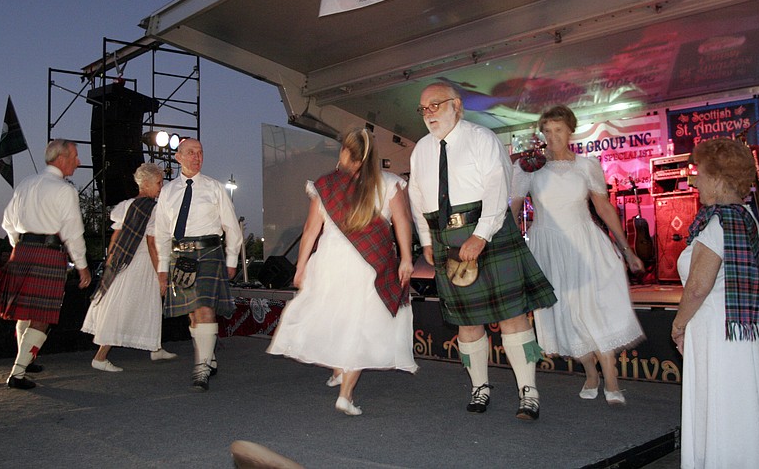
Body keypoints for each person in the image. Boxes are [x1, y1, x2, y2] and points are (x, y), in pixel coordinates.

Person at [408, 82, 557, 420]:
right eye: (424, 108)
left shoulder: (481, 138)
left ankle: (528, 391)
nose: (428, 113)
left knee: (512, 316)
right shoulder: (420, 150)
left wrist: (481, 234)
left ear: (456, 105)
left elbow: (497, 186)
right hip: (446, 239)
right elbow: (417, 197)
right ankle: (479, 387)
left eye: (435, 105)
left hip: (487, 232)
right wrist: (427, 240)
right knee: (466, 321)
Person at [267, 129, 417, 415]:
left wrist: (299, 267)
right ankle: (345, 394)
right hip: (371, 265)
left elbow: (310, 231)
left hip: (330, 262)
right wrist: (406, 259)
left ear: (346, 154)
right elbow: (402, 223)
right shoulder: (389, 183)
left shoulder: (326, 185)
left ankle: (339, 372)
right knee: (358, 328)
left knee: (335, 320)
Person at [509, 105, 645, 406]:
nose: (553, 136)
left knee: (594, 307)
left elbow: (604, 208)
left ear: (570, 130)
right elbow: (514, 209)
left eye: (558, 130)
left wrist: (627, 249)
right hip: (547, 246)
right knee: (565, 312)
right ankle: (590, 373)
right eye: (547, 131)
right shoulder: (528, 169)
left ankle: (610, 375)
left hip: (585, 244)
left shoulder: (587, 165)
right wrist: (504, 245)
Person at [671, 138, 759, 468]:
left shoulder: (719, 222)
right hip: (741, 332)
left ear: (718, 178)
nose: (695, 181)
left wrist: (678, 325)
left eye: (700, 174)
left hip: (715, 332)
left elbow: (697, 288)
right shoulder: (747, 217)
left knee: (719, 403)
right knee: (740, 404)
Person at [0, 139, 92, 389]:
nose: (78, 162)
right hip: (48, 254)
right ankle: (17, 373)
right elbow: (73, 231)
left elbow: (7, 222)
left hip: (23, 251)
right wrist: (82, 266)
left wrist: (18, 244)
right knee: (41, 315)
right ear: (61, 159)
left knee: (26, 311)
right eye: (75, 156)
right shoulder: (65, 190)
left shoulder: (26, 183)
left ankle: (25, 360)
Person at [154, 138, 242, 391]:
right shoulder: (168, 192)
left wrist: (231, 259)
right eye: (190, 152)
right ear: (178, 157)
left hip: (209, 252)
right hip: (179, 256)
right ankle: (208, 357)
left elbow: (231, 227)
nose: (196, 157)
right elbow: (161, 233)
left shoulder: (214, 188)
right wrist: (162, 269)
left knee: (204, 309)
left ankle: (201, 367)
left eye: (200, 152)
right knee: (192, 314)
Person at [82, 163, 177, 372]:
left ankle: (155, 347)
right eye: (159, 183)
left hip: (123, 261)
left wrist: (111, 261)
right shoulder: (153, 209)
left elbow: (116, 235)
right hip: (140, 263)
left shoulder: (126, 205)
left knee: (150, 305)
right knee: (122, 307)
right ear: (146, 184)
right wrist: (162, 275)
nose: (161, 187)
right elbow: (152, 244)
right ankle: (100, 357)